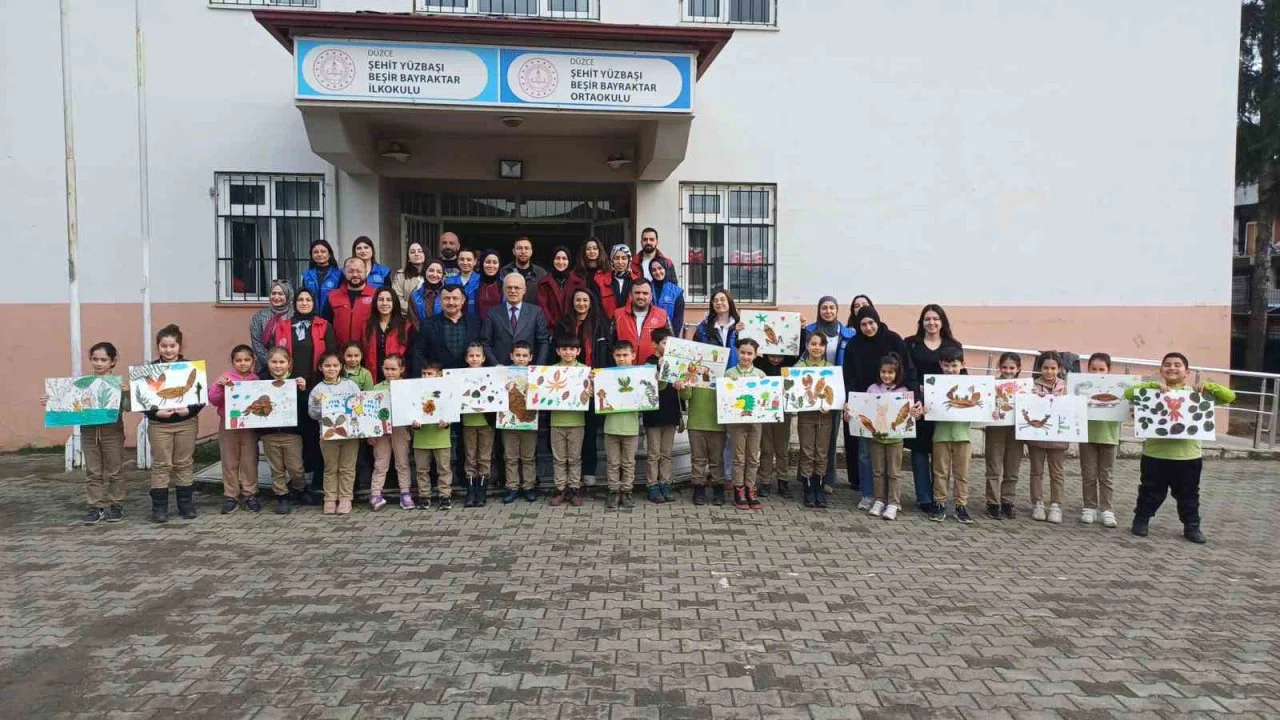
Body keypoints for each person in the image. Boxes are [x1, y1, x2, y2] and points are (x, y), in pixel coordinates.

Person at [1124, 352, 1236, 543]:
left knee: (1189, 495)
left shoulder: (1197, 395)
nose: (1172, 368)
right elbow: (1129, 393)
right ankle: (1141, 520)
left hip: (1188, 456)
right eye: (1167, 364)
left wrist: (1209, 386)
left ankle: (1192, 526)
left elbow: (1230, 396)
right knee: (1149, 492)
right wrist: (1152, 386)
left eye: (1177, 365)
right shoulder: (1152, 393)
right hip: (1155, 454)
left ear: (1187, 372)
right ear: (1161, 370)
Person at [41, 342, 127, 524]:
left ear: (112, 361)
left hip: (112, 432)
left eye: (103, 359)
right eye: (95, 359)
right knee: (93, 471)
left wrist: (126, 393)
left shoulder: (118, 384)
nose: (99, 363)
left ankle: (117, 505)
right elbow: (66, 400)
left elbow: (128, 407)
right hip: (88, 433)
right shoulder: (82, 384)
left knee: (115, 470)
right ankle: (96, 507)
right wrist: (50, 401)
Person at [843, 305, 912, 510]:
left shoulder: (893, 339)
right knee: (865, 454)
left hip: (892, 403)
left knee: (890, 459)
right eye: (863, 324)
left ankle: (891, 498)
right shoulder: (854, 344)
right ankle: (868, 494)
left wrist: (912, 395)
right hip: (864, 403)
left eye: (871, 323)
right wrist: (850, 401)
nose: (868, 327)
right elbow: (848, 375)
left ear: (878, 321)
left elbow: (907, 368)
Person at [905, 304, 962, 516]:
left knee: (941, 452)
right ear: (921, 322)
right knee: (919, 450)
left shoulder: (953, 345)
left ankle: (939, 496)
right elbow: (908, 373)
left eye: (936, 319)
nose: (931, 323)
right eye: (927, 319)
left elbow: (961, 374)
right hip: (919, 404)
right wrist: (917, 398)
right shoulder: (911, 343)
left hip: (943, 406)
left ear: (942, 321)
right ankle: (924, 498)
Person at [144, 324, 205, 523]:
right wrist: (155, 412)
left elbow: (200, 396)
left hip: (186, 423)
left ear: (180, 346)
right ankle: (159, 508)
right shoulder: (150, 370)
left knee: (184, 463)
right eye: (164, 346)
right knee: (161, 464)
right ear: (158, 347)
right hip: (159, 426)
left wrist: (190, 410)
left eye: (172, 346)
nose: (168, 350)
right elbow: (142, 399)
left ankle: (185, 505)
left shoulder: (191, 368)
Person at [800, 296, 856, 487]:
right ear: (819, 310)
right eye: (824, 307)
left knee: (829, 437)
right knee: (808, 440)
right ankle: (806, 479)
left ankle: (827, 479)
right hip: (810, 388)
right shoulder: (809, 331)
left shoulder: (848, 334)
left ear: (837, 310)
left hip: (835, 388)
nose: (828, 311)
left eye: (832, 307)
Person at [559, 287, 610, 481]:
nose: (581, 304)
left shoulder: (600, 324)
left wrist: (602, 376)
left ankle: (588, 471)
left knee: (590, 430)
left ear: (591, 302)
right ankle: (567, 476)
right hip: (568, 384)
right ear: (572, 302)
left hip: (593, 384)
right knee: (571, 429)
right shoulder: (564, 324)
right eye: (578, 300)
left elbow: (606, 352)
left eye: (585, 300)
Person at [862, 353, 921, 520]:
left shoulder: (904, 392)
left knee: (894, 472)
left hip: (895, 439)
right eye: (883, 372)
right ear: (879, 372)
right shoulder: (872, 389)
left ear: (897, 373)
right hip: (877, 438)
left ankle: (893, 503)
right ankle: (879, 500)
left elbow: (910, 417)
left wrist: (915, 415)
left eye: (890, 372)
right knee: (878, 471)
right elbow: (864, 409)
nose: (886, 375)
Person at [209, 345, 261, 515]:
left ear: (253, 361)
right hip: (228, 424)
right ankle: (231, 495)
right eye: (238, 360)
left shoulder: (257, 380)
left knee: (249, 460)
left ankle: (250, 494)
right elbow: (214, 399)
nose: (242, 363)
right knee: (229, 460)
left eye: (246, 360)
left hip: (249, 426)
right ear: (233, 362)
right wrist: (219, 386)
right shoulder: (226, 378)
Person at [309, 351, 361, 515]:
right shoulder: (318, 389)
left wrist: (357, 407)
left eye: (335, 365)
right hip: (327, 435)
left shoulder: (350, 385)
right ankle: (330, 499)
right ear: (320, 368)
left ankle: (345, 498)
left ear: (341, 367)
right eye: (327, 366)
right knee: (330, 468)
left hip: (350, 434)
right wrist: (316, 402)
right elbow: (313, 415)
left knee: (347, 467)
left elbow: (360, 408)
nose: (331, 369)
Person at [258, 347, 308, 515]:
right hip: (269, 434)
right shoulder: (260, 381)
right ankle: (282, 496)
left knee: (296, 468)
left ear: (289, 363)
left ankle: (299, 488)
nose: (278, 366)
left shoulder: (296, 381)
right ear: (268, 363)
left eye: (281, 362)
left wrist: (303, 390)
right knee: (276, 468)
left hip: (292, 433)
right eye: (274, 362)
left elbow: (305, 407)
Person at [931, 346, 974, 524]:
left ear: (962, 365)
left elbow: (980, 407)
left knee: (961, 474)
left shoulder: (971, 385)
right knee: (940, 473)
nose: (950, 369)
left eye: (954, 365)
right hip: (941, 435)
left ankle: (960, 505)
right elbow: (929, 407)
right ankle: (939, 503)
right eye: (947, 365)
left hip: (963, 436)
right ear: (941, 364)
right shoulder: (934, 384)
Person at [754, 330, 798, 500]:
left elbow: (799, 346)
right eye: (772, 355)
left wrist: (800, 329)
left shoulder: (790, 363)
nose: (776, 359)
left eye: (780, 356)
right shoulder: (760, 363)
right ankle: (765, 481)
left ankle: (783, 480)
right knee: (766, 448)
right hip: (764, 410)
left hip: (783, 410)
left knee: (782, 448)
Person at [369, 354, 415, 511]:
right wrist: (370, 432)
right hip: (381, 430)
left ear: (402, 369)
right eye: (386, 369)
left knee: (402, 462)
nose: (389, 372)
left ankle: (405, 493)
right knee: (381, 462)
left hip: (400, 429)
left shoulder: (408, 387)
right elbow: (370, 412)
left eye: (393, 369)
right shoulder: (376, 388)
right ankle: (376, 493)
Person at [794, 333, 835, 509]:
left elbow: (834, 393)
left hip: (825, 416)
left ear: (825, 348)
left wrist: (830, 404)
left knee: (822, 453)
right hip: (806, 415)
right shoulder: (799, 367)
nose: (816, 347)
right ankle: (808, 489)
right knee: (807, 452)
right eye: (813, 343)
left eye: (820, 344)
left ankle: (820, 487)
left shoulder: (831, 368)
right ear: (807, 345)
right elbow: (794, 391)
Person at [1079, 352, 1120, 528]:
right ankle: (1089, 507)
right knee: (1088, 475)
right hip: (1087, 436)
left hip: (1109, 437)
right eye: (1093, 369)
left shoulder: (1118, 388)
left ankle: (1107, 509)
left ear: (1108, 370)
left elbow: (1126, 407)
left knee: (1106, 475)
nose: (1097, 373)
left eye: (1101, 369)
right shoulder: (1081, 388)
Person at [1028, 351, 1069, 524]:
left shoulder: (1066, 387)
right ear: (1040, 368)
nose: (1049, 372)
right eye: (1045, 368)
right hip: (1036, 436)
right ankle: (1037, 503)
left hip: (1058, 436)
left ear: (1059, 369)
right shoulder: (1032, 387)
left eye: (1053, 368)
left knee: (1057, 472)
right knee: (1036, 471)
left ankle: (1056, 505)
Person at [725, 338, 766, 511]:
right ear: (737, 352)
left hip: (755, 422)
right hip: (736, 423)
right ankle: (739, 490)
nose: (746, 356)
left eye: (750, 353)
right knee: (739, 457)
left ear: (755, 355)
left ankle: (750, 488)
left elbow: (765, 397)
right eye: (742, 352)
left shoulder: (760, 375)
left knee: (753, 457)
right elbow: (725, 398)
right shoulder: (729, 373)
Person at [548, 333, 588, 507]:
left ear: (578, 351)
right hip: (557, 421)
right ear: (558, 351)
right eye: (564, 349)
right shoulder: (550, 372)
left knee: (574, 458)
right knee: (559, 459)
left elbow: (588, 397)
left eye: (572, 349)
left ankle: (574, 489)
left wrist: (590, 390)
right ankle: (560, 489)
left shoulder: (585, 371)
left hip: (577, 422)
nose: (568, 352)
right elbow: (544, 393)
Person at [643, 328, 682, 504]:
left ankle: (664, 483)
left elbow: (681, 392)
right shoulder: (649, 363)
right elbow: (654, 388)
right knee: (654, 453)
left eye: (671, 343)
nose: (668, 346)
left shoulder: (677, 363)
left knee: (666, 453)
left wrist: (680, 415)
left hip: (671, 413)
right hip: (654, 415)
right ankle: (652, 485)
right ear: (655, 344)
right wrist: (661, 368)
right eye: (665, 343)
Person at [984, 352, 1024, 520]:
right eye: (1004, 367)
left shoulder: (1024, 387)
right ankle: (992, 502)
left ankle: (1008, 501)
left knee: (1012, 468)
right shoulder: (991, 385)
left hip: (1016, 430)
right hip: (996, 429)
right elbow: (984, 406)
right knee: (993, 467)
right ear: (999, 367)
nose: (1008, 371)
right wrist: (990, 410)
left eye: (1012, 368)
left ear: (1018, 369)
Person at [677, 367, 725, 507]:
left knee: (717, 460)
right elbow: (685, 396)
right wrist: (685, 383)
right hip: (696, 423)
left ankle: (718, 489)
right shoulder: (692, 373)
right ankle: (698, 489)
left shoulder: (724, 373)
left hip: (718, 424)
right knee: (698, 459)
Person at [603, 340, 642, 510]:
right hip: (611, 427)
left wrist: (656, 379)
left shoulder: (640, 376)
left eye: (625, 355)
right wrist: (592, 383)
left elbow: (652, 394)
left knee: (628, 463)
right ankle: (613, 491)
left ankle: (626, 492)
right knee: (613, 462)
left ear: (633, 355)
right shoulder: (605, 376)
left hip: (631, 428)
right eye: (618, 355)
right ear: (613, 356)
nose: (621, 358)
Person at [482, 272, 551, 366]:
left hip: (529, 368)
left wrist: (538, 367)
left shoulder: (536, 312)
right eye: (509, 287)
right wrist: (496, 365)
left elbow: (543, 341)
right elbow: (485, 342)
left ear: (524, 290)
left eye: (517, 288)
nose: (513, 291)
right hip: (500, 368)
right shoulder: (493, 313)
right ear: (503, 289)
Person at [500, 341, 540, 503]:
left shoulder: (536, 374)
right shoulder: (503, 374)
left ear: (530, 357)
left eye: (524, 355)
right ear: (511, 356)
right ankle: (512, 487)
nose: (521, 358)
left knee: (528, 457)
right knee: (510, 457)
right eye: (518, 355)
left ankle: (529, 486)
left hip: (529, 422)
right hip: (508, 421)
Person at [413, 360, 455, 510]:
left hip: (441, 437)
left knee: (444, 469)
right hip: (421, 437)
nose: (426, 376)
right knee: (421, 470)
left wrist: (447, 422)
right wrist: (413, 424)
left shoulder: (447, 391)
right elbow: (409, 411)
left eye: (429, 373)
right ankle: (424, 496)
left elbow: (452, 410)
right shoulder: (414, 391)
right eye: (423, 373)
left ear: (439, 374)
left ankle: (445, 496)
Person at [460, 342, 495, 508]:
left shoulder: (491, 376)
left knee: (484, 457)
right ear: (466, 358)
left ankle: (482, 492)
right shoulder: (460, 376)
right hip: (468, 422)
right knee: (470, 457)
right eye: (471, 356)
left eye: (477, 355)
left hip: (486, 423)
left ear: (484, 358)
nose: (474, 359)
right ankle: (471, 492)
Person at [416, 285, 482, 372]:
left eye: (455, 298)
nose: (451, 302)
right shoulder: (428, 324)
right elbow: (419, 353)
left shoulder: (476, 323)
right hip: (439, 376)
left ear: (463, 300)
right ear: (440, 301)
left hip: (470, 375)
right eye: (446, 298)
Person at [273, 288, 336, 378]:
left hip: (317, 378)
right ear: (294, 303)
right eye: (300, 300)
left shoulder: (324, 325)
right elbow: (275, 353)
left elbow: (331, 354)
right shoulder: (282, 326)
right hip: (289, 378)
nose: (304, 303)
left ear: (314, 303)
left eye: (308, 300)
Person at [611, 279, 670, 364]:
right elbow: (610, 344)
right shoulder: (618, 315)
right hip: (625, 368)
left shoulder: (662, 315)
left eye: (645, 293)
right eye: (637, 293)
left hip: (653, 368)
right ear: (630, 295)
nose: (641, 296)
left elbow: (671, 344)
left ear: (651, 296)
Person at [363, 288, 412, 384]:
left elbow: (410, 356)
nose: (384, 303)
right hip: (374, 377)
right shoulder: (367, 326)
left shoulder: (405, 326)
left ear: (394, 303)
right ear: (375, 303)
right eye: (381, 300)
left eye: (389, 300)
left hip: (398, 378)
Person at [328, 257, 377, 347]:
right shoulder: (332, 296)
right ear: (344, 272)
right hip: (340, 350)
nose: (355, 274)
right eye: (350, 271)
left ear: (366, 272)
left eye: (359, 271)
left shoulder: (376, 296)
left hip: (367, 349)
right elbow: (326, 324)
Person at [536, 245, 587, 330]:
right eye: (557, 258)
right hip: (550, 329)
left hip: (574, 329)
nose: (561, 262)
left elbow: (582, 305)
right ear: (553, 260)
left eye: (564, 258)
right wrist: (554, 326)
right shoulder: (543, 283)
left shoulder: (579, 282)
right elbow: (542, 307)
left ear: (569, 261)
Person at [692, 288, 745, 369]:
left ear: (729, 302)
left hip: (736, 371)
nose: (719, 303)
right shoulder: (703, 327)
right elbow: (695, 349)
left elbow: (749, 348)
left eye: (722, 300)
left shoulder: (741, 324)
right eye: (715, 300)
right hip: (711, 370)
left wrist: (737, 333)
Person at [248, 280, 292, 376]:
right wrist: (271, 363)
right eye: (273, 293)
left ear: (288, 295)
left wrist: (285, 364)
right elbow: (256, 343)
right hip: (264, 367)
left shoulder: (294, 315)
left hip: (290, 368)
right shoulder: (259, 316)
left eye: (280, 294)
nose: (276, 297)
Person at [301, 239, 343, 319]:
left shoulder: (339, 275)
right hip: (311, 318)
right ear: (311, 255)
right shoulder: (306, 275)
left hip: (332, 318)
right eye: (315, 252)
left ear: (329, 254)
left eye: (323, 252)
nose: (319, 254)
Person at [500, 236, 546, 303]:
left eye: (526, 248)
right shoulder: (504, 271)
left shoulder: (541, 273)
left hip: (534, 309)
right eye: (519, 248)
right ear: (514, 251)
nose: (523, 251)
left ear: (531, 251)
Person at [648, 258, 685, 337]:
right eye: (654, 270)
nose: (657, 272)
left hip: (668, 334)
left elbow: (678, 320)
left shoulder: (676, 292)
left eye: (660, 268)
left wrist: (672, 338)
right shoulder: (646, 288)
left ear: (666, 269)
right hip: (648, 332)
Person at [408, 260, 446, 328]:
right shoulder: (414, 296)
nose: (434, 275)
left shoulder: (447, 295)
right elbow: (414, 322)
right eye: (431, 270)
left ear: (443, 275)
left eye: (439, 272)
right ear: (425, 272)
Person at [389, 241, 427, 310]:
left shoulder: (434, 273)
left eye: (420, 251)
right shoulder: (401, 275)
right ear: (408, 258)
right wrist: (415, 310)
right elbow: (397, 299)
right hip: (408, 314)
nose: (416, 254)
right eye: (412, 252)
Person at [603, 245, 634, 317]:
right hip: (608, 322)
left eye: (624, 258)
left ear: (629, 260)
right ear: (612, 260)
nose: (620, 262)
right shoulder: (603, 281)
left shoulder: (636, 280)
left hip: (630, 322)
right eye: (616, 258)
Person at [451, 247, 481, 315]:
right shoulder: (449, 281)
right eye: (462, 259)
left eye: (469, 260)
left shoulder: (481, 280)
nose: (465, 263)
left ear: (475, 261)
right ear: (457, 261)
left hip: (476, 319)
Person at [476, 249, 504, 320]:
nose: (491, 266)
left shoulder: (504, 285)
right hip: (476, 324)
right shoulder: (473, 284)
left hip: (499, 325)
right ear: (482, 263)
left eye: (495, 263)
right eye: (488, 262)